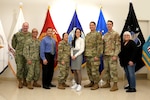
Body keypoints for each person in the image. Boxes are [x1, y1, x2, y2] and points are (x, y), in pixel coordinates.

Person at [101, 20, 121, 91]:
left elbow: (118, 45)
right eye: (107, 24)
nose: (108, 25)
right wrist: (103, 54)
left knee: (113, 70)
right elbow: (104, 45)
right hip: (106, 55)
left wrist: (115, 55)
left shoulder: (116, 34)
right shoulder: (105, 35)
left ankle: (115, 85)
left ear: (112, 25)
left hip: (112, 55)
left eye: (110, 24)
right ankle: (107, 83)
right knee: (107, 70)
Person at [12, 22, 32, 88]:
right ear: (22, 26)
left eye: (27, 26)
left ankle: (25, 81)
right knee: (19, 68)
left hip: (27, 55)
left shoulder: (30, 35)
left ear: (28, 27)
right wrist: (18, 50)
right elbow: (13, 44)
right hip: (19, 54)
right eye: (24, 26)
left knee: (26, 68)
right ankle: (20, 81)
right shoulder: (17, 35)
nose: (25, 27)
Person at [84, 21, 103, 90]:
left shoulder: (97, 34)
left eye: (92, 25)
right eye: (90, 25)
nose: (91, 26)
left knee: (95, 71)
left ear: (95, 26)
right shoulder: (87, 35)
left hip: (94, 56)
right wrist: (85, 54)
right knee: (89, 70)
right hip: (88, 55)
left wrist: (97, 56)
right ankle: (91, 82)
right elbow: (85, 45)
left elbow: (100, 46)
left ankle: (96, 84)